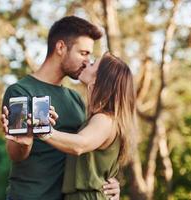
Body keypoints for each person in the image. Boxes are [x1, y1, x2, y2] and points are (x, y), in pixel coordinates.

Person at [1, 16, 120, 200]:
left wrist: (108, 182)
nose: (88, 62)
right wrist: (24, 142)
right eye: (83, 53)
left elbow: (88, 147)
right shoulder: (20, 91)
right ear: (61, 47)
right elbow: (15, 154)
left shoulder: (76, 99)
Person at [39, 52, 137, 199]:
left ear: (100, 79)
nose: (86, 63)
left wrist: (43, 130)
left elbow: (80, 145)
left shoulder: (104, 119)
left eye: (92, 64)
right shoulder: (101, 118)